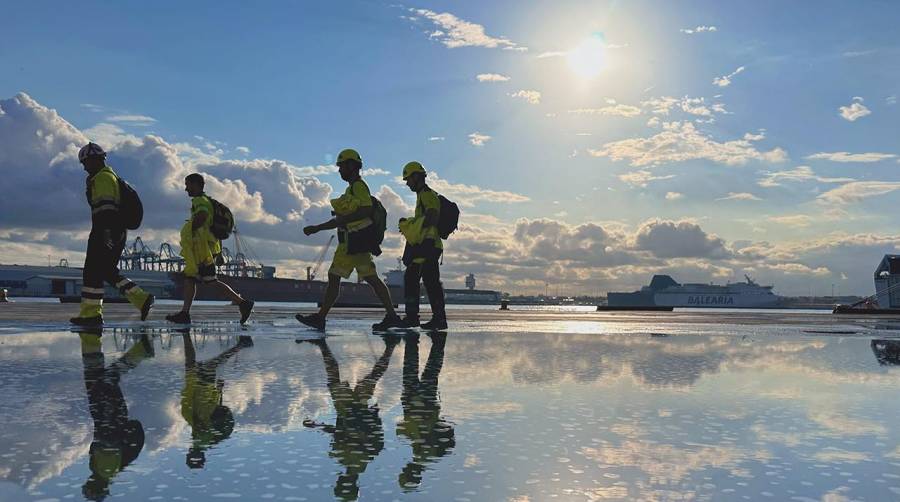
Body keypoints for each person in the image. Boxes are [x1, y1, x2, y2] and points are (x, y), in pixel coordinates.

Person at [296, 149, 402, 331]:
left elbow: (365, 210)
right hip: (357, 244)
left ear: (352, 166)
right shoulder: (352, 189)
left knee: (334, 277)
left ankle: (320, 318)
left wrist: (330, 224)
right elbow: (343, 219)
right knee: (372, 279)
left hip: (351, 244)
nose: (339, 171)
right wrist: (318, 228)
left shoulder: (358, 187)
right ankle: (392, 316)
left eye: (342, 166)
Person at [299, 336, 399, 500]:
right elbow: (343, 433)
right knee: (341, 375)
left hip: (352, 409)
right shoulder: (352, 459)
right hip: (352, 409)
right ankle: (323, 345)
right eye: (340, 483)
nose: (339, 480)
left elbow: (339, 432)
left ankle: (390, 347)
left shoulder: (352, 459)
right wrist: (319, 426)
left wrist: (318, 425)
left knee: (369, 375)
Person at [70, 142, 154, 327]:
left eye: (85, 162)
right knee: (104, 271)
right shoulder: (109, 176)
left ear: (95, 160)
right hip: (113, 229)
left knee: (93, 271)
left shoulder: (103, 178)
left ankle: (91, 315)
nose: (84, 167)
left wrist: (105, 232)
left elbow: (106, 207)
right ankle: (140, 298)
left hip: (106, 229)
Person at [166, 174, 254, 325]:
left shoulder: (200, 201)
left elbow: (202, 216)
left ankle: (242, 303)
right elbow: (213, 228)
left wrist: (191, 229)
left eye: (188, 184)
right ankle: (185, 313)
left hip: (200, 248)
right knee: (195, 279)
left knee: (203, 279)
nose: (186, 188)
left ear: (196, 184)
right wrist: (218, 252)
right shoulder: (209, 201)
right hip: (205, 247)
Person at [77, 329, 154, 500]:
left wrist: (130, 425)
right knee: (104, 379)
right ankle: (140, 352)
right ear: (95, 484)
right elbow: (133, 440)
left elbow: (136, 439)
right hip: (108, 414)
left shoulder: (106, 469)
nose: (87, 481)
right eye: (89, 484)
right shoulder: (108, 468)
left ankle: (92, 341)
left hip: (107, 414)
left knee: (96, 376)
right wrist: (126, 426)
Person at [180, 331, 253, 469]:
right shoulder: (199, 437)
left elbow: (211, 412)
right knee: (206, 361)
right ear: (190, 453)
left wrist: (218, 391)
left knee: (202, 361)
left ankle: (241, 345)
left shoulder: (207, 440)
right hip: (199, 387)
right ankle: (241, 345)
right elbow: (202, 412)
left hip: (203, 389)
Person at [396, 332, 454, 490]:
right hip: (420, 406)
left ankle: (436, 342)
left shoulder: (424, 456)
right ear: (409, 473)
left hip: (421, 406)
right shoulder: (423, 455)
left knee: (430, 370)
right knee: (415, 367)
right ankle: (419, 340)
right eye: (404, 472)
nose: (403, 468)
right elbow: (421, 430)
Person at [398, 162, 447, 330]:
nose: (407, 183)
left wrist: (411, 225)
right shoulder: (422, 195)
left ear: (416, 177)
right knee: (424, 280)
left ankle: (422, 318)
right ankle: (433, 318)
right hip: (426, 245)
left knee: (420, 279)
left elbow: (433, 217)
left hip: (428, 244)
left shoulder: (427, 194)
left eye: (408, 179)